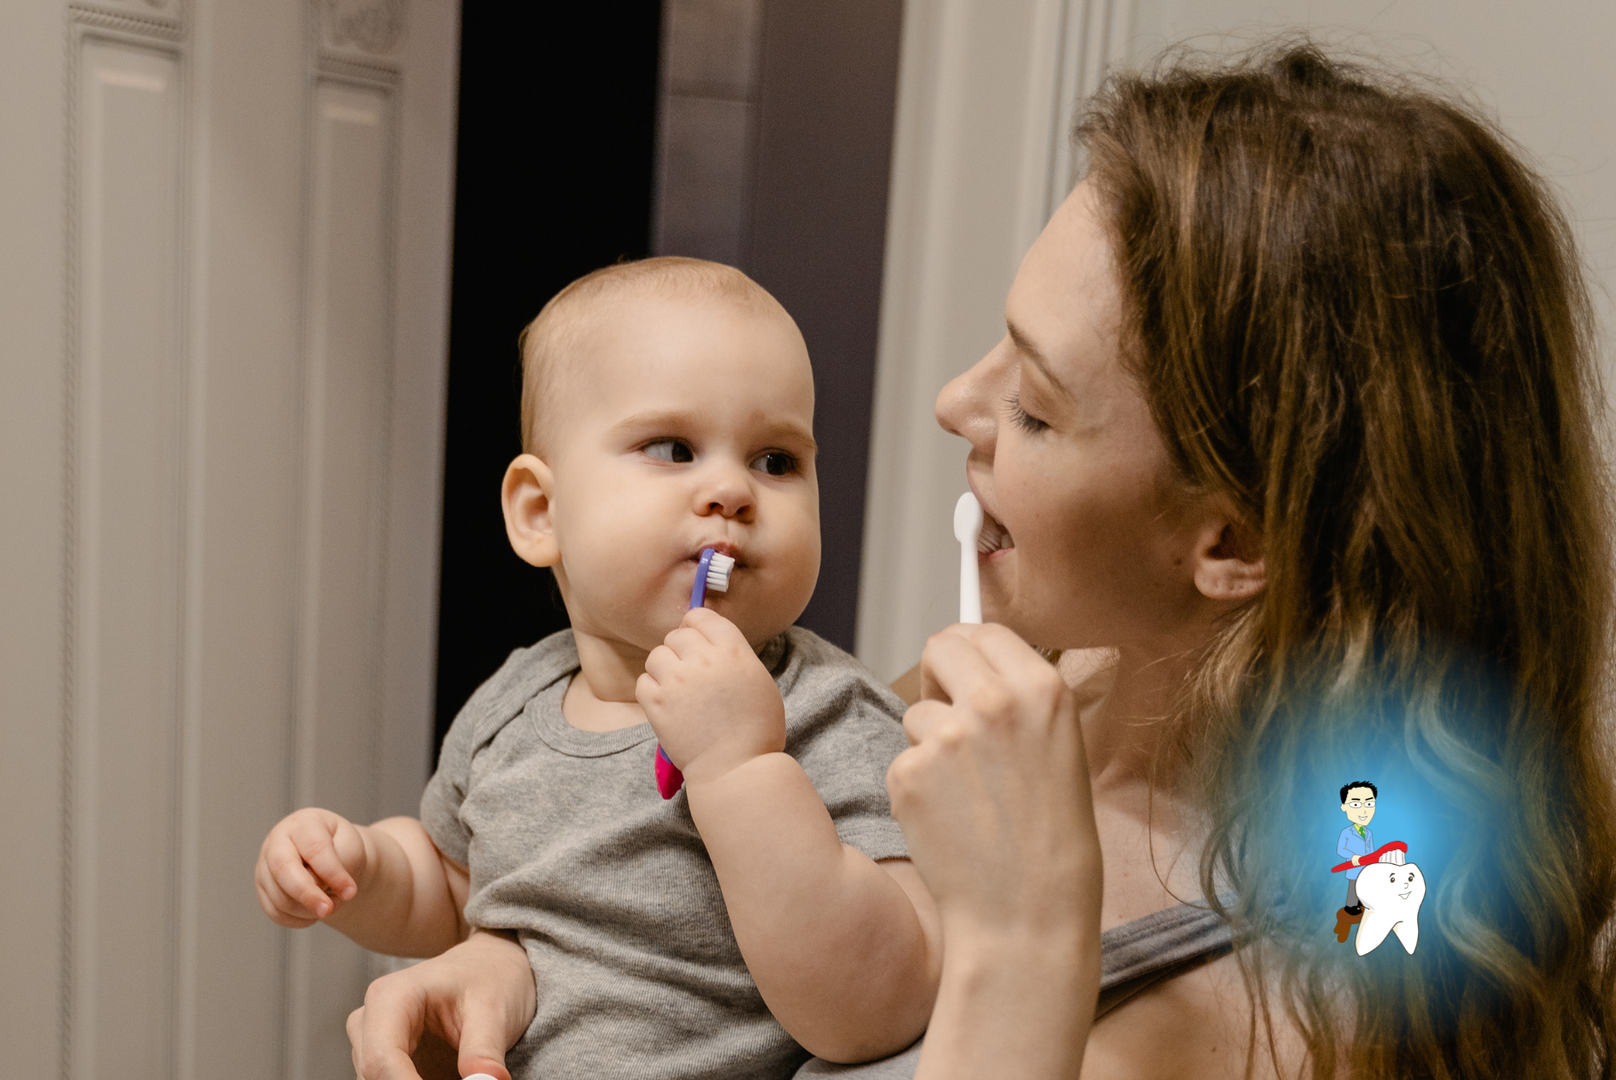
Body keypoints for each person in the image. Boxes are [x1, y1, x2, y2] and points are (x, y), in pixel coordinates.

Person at [344, 44, 1616, 1080]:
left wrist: (1017, 942)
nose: (958, 402)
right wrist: (515, 969)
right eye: (994, 350)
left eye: (1039, 408)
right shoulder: (988, 721)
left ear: (1229, 540)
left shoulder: (1347, 960)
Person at [256, 257, 940, 1080]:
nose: (732, 488)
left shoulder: (834, 713)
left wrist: (739, 768)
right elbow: (450, 888)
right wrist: (359, 866)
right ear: (541, 514)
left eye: (777, 461)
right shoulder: (514, 702)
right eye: (674, 447)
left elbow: (884, 1005)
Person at [1335, 781, 1378, 928]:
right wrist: (1352, 856)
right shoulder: (1346, 832)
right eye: (1355, 805)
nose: (1364, 811)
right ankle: (1351, 907)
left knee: (1365, 888)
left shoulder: (1369, 833)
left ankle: (1364, 906)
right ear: (1344, 807)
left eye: (1369, 804)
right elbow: (1340, 849)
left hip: (1367, 868)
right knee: (1353, 889)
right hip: (1354, 868)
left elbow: (1371, 850)